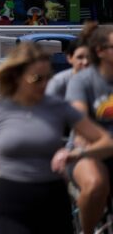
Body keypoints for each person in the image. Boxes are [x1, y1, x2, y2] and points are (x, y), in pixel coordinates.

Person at [0, 41, 113, 234]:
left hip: (52, 199)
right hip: (11, 200)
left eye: (47, 77)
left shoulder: (58, 107)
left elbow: (106, 141)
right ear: (17, 76)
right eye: (36, 78)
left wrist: (78, 153)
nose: (44, 84)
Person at [64, 22, 113, 233]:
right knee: (95, 184)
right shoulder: (82, 81)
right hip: (88, 152)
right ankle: (87, 231)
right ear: (100, 51)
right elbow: (81, 124)